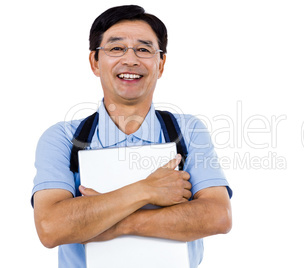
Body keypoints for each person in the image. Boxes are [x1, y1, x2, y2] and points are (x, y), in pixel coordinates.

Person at [31, 5, 232, 268]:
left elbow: (218, 217)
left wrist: (108, 223)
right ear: (94, 61)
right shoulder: (62, 138)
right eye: (116, 48)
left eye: (144, 49)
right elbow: (51, 228)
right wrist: (148, 190)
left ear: (160, 64)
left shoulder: (187, 131)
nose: (130, 60)